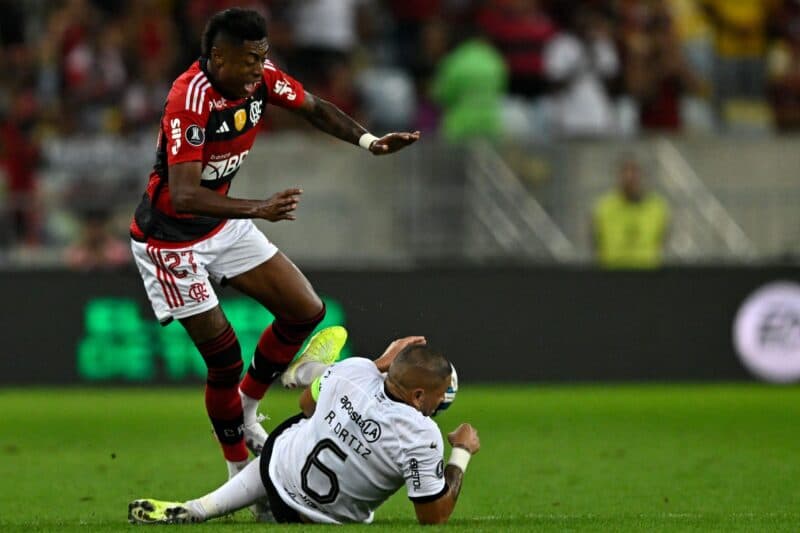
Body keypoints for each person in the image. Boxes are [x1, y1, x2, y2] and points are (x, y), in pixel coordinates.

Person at [128, 7, 420, 484]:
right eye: (247, 60)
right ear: (218, 56)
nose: (256, 70)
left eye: (262, 57)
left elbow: (314, 107)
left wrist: (369, 141)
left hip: (222, 223)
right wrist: (258, 208)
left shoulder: (260, 78)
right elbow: (182, 196)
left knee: (305, 311)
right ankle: (238, 470)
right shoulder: (189, 99)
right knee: (224, 360)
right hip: (171, 240)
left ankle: (245, 413)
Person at [128, 332, 480, 525]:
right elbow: (434, 518)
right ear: (419, 395)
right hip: (321, 519)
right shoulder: (422, 435)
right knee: (321, 426)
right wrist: (461, 452)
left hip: (279, 475)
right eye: (438, 396)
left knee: (312, 419)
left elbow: (307, 407)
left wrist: (375, 365)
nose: (439, 404)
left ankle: (201, 507)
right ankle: (307, 382)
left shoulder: (356, 371)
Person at [591, 156, 671, 269]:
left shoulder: (657, 207)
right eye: (625, 175)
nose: (630, 180)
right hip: (612, 273)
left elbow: (662, 240)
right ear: (618, 178)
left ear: (642, 177)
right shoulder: (603, 207)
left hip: (648, 273)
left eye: (634, 174)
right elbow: (596, 242)